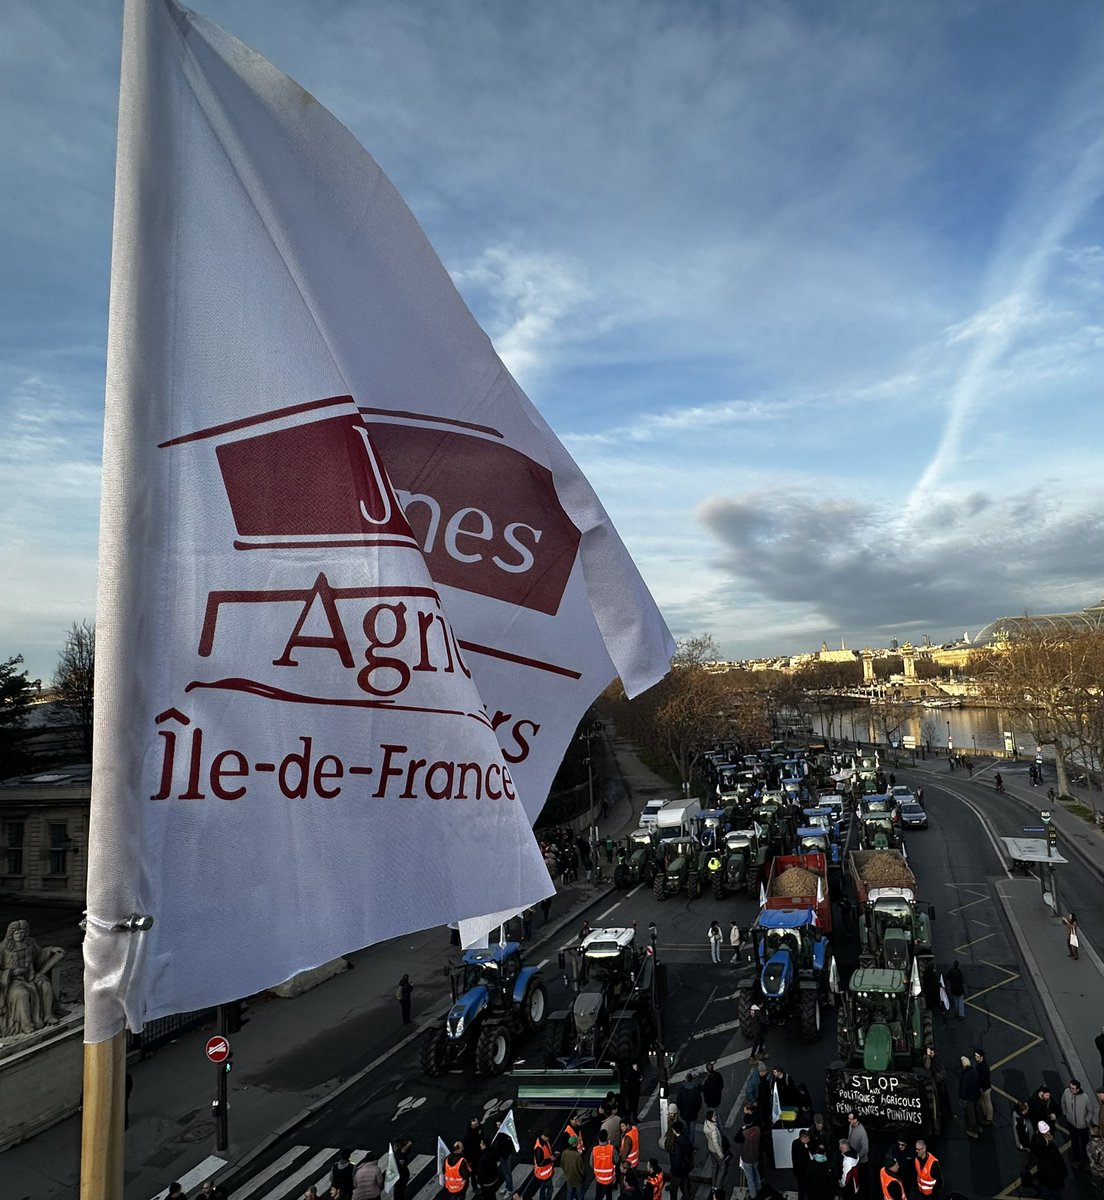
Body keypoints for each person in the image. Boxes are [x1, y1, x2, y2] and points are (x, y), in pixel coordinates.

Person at [1062, 1079, 1093, 1171]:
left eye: (1073, 1088)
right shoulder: (1066, 1092)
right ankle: (1077, 1160)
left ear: (1078, 1089)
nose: (1070, 1090)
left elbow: (1090, 1111)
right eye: (1070, 1087)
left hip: (1083, 1126)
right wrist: (1065, 1113)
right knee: (1074, 1143)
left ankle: (1086, 1161)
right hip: (1071, 1125)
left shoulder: (1085, 1098)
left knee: (1085, 1145)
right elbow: (1063, 1102)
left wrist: (1086, 1120)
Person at [1033, 1121, 1068, 1199]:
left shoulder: (1036, 1139)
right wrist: (1050, 1143)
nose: (1049, 1132)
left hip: (1045, 1178)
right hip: (1053, 1178)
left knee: (1046, 1191)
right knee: (1054, 1195)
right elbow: (1056, 1159)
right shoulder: (1047, 1147)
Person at [735, 1107, 762, 1199]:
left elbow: (736, 1139)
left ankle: (754, 1196)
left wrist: (741, 1128)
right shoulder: (757, 1129)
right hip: (756, 1155)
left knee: (750, 1178)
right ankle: (760, 1189)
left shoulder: (743, 1132)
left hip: (746, 1157)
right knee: (756, 1172)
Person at [702, 1109, 729, 1189]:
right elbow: (716, 1144)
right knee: (722, 1167)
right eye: (714, 1116)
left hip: (710, 1148)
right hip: (715, 1150)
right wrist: (721, 1154)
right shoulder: (713, 1130)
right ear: (711, 1118)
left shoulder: (706, 1124)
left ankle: (713, 1184)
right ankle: (717, 1186)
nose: (716, 1117)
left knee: (714, 1166)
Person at [675, 1072, 703, 1145]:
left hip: (684, 1114)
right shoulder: (695, 1089)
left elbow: (678, 1101)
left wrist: (680, 1109)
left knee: (685, 1130)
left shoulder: (682, 1089)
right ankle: (691, 1146)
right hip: (693, 1114)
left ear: (686, 1079)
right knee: (692, 1131)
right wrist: (696, 1110)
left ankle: (686, 1145)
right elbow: (699, 1102)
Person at [590, 1130, 618, 1200]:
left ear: (599, 1139)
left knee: (598, 1194)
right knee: (609, 1194)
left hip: (599, 1178)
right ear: (607, 1138)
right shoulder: (611, 1148)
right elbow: (617, 1160)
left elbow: (591, 1164)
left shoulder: (594, 1150)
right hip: (609, 1178)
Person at [958, 1055, 981, 1139]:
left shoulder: (964, 1076)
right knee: (977, 1111)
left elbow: (963, 1089)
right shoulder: (974, 1071)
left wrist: (961, 1097)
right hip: (976, 1095)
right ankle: (979, 1126)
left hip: (969, 1098)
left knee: (971, 1116)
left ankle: (974, 1132)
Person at [846, 1113, 869, 1195]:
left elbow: (865, 1148)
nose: (849, 1120)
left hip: (861, 1162)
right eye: (848, 1118)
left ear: (856, 1120)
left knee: (862, 1182)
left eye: (851, 1119)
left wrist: (856, 1157)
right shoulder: (851, 1125)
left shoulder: (862, 1132)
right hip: (852, 1159)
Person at [974, 1049, 994, 1125]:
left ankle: (989, 1118)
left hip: (985, 1088)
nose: (975, 1057)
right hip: (981, 1088)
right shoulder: (979, 1064)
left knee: (988, 1103)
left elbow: (985, 1079)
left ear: (981, 1057)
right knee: (981, 1101)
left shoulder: (984, 1067)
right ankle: (985, 1113)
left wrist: (982, 1088)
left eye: (977, 1056)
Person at [533, 1133, 556, 1200]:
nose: (548, 1139)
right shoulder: (539, 1148)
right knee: (550, 1188)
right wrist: (550, 1159)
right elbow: (539, 1163)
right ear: (544, 1136)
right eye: (548, 1138)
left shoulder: (543, 1142)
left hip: (544, 1173)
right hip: (544, 1174)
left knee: (543, 1187)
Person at [790, 1128, 811, 1200]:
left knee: (801, 1187)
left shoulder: (795, 1142)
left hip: (797, 1171)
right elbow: (804, 1162)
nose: (809, 1140)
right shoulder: (802, 1148)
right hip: (802, 1172)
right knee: (803, 1188)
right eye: (807, 1139)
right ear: (803, 1137)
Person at [1087, 1125, 1104, 1199]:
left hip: (1097, 1172)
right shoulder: (1103, 1141)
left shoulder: (1090, 1145)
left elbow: (1091, 1162)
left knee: (1098, 1189)